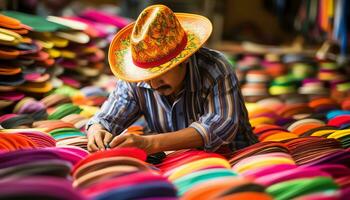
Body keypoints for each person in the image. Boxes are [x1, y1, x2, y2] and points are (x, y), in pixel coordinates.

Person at [86, 4, 258, 155]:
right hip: (176, 162)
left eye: (160, 74)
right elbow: (107, 118)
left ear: (184, 59)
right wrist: (97, 130)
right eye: (147, 77)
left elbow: (220, 127)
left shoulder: (215, 69)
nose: (153, 84)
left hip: (235, 158)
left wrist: (150, 143)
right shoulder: (136, 78)